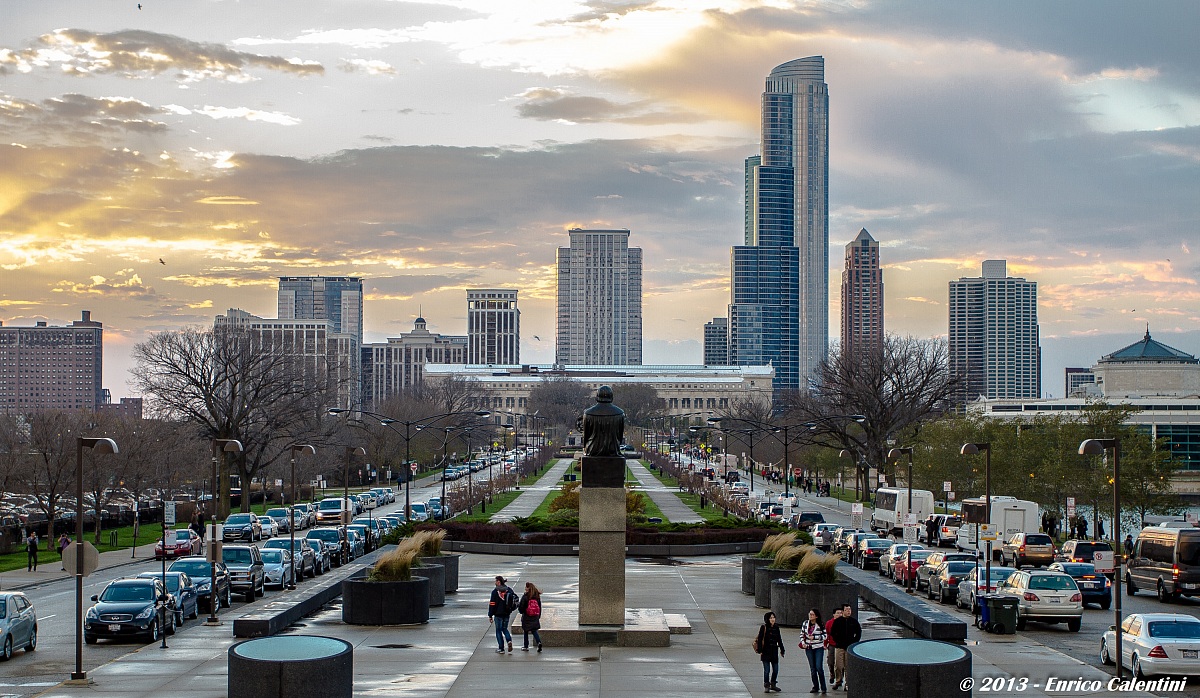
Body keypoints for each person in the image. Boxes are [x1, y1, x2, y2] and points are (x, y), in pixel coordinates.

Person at [829, 603, 861, 690]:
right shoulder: (838, 621)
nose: (848, 611)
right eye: (846, 610)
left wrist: (854, 642)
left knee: (848, 666)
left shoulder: (854, 622)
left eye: (849, 610)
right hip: (839, 646)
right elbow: (832, 632)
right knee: (838, 665)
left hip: (849, 647)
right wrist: (837, 641)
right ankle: (838, 680)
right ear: (843, 611)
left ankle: (848, 683)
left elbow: (858, 633)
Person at [798, 608, 828, 694]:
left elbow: (825, 636)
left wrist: (815, 637)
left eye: (812, 615)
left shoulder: (820, 624)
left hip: (818, 647)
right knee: (812, 668)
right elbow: (802, 634)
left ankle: (823, 687)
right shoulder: (805, 623)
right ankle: (815, 686)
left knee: (819, 667)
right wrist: (803, 642)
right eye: (810, 614)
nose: (810, 616)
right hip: (808, 647)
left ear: (816, 616)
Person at [754, 611, 785, 693]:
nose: (772, 619)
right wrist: (760, 650)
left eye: (773, 617)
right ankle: (767, 685)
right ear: (767, 619)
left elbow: (779, 639)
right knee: (766, 670)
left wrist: (782, 649)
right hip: (765, 652)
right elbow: (760, 639)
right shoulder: (763, 627)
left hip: (774, 651)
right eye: (771, 618)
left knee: (775, 670)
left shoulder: (776, 627)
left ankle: (773, 684)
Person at [488, 575, 516, 653]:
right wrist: (511, 609)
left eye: (496, 581)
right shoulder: (509, 590)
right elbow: (515, 600)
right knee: (505, 629)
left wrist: (490, 615)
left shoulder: (495, 592)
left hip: (498, 614)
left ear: (498, 582)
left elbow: (492, 604)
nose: (495, 582)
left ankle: (501, 648)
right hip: (507, 613)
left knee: (498, 630)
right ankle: (509, 641)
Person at [518, 581, 543, 652]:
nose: (525, 588)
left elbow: (521, 607)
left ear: (528, 588)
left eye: (526, 587)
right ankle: (539, 642)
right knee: (534, 631)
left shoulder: (525, 596)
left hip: (527, 616)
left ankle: (526, 646)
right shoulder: (537, 596)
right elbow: (539, 607)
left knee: (526, 631)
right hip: (535, 616)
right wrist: (538, 615)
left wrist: (521, 611)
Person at [824, 607, 841, 684]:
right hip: (832, 644)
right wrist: (825, 644)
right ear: (833, 614)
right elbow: (826, 634)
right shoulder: (829, 623)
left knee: (840, 664)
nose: (839, 615)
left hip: (841, 645)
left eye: (841, 613)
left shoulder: (844, 622)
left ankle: (839, 678)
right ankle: (832, 674)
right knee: (831, 661)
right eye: (837, 613)